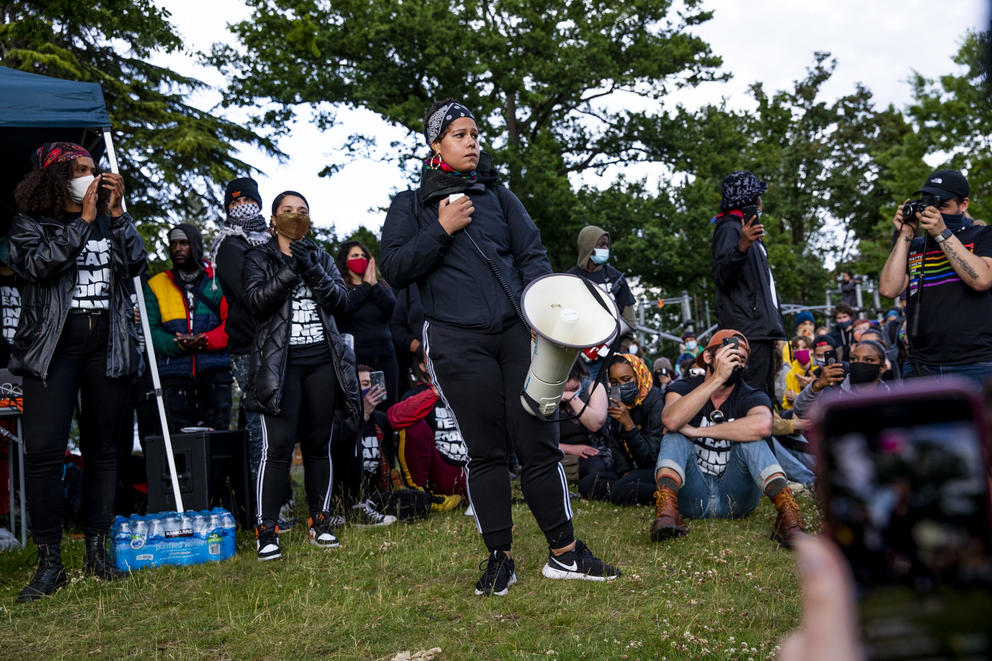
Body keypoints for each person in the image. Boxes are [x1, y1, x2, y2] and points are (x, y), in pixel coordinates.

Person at [381, 97, 619, 596]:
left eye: (474, 133)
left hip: (516, 333)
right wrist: (442, 229)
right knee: (485, 451)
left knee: (538, 440)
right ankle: (500, 557)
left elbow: (532, 255)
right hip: (454, 339)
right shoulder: (410, 205)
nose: (472, 142)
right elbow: (397, 268)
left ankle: (565, 553)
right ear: (435, 144)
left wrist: (540, 314)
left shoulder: (499, 196)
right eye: (460, 135)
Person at [9, 142, 146, 600]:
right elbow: (37, 266)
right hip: (52, 350)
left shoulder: (110, 219)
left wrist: (119, 213)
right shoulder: (30, 224)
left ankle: (97, 551)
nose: (92, 175)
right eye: (81, 169)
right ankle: (50, 563)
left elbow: (138, 264)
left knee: (104, 450)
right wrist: (84, 223)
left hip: (105, 346)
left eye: (94, 168)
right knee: (44, 452)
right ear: (56, 176)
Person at [242, 190, 361, 560]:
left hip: (321, 362)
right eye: (287, 211)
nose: (296, 216)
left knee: (318, 444)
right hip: (280, 366)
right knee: (276, 448)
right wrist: (292, 268)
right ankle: (266, 530)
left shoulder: (321, 256)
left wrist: (311, 266)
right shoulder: (257, 256)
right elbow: (257, 302)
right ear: (273, 219)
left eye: (303, 211)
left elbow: (342, 302)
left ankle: (320, 521)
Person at [650, 330, 804, 547]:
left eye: (741, 358)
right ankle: (666, 511)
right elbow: (671, 420)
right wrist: (717, 378)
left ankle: (788, 516)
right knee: (675, 435)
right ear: (708, 357)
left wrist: (698, 431)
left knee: (753, 438)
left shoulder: (751, 394)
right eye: (729, 354)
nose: (735, 361)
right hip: (693, 496)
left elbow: (763, 425)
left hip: (737, 497)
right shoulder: (684, 387)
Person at [878, 169, 992, 385]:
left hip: (976, 364)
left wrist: (942, 233)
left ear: (963, 204)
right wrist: (906, 234)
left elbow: (982, 279)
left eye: (943, 205)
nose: (935, 212)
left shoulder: (983, 235)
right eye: (929, 204)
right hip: (922, 365)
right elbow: (888, 290)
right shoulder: (917, 246)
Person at [144, 224, 232, 431]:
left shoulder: (218, 279)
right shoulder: (157, 284)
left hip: (215, 375)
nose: (177, 248)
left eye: (183, 243)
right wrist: (178, 344)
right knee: (181, 448)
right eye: (173, 244)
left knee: (218, 445)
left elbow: (231, 325)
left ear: (195, 245)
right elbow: (151, 330)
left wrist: (206, 340)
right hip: (174, 378)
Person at [710, 170, 787, 399]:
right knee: (753, 398)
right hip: (748, 330)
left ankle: (766, 433)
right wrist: (741, 247)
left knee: (765, 397)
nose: (760, 202)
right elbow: (722, 275)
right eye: (757, 196)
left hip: (761, 330)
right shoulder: (729, 228)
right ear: (749, 199)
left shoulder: (747, 230)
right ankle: (755, 435)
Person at [213, 177, 269, 486]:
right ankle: (260, 497)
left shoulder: (271, 239)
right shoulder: (229, 246)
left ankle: (278, 492)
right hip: (249, 344)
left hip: (277, 340)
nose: (241, 206)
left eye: (246, 200)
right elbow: (250, 294)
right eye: (233, 203)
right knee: (258, 423)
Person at [579, 354, 664, 506]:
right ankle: (629, 488)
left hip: (656, 469)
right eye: (614, 382)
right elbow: (615, 445)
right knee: (587, 483)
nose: (620, 386)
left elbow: (650, 457)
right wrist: (624, 471)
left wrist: (629, 425)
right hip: (632, 473)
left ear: (639, 376)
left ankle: (664, 494)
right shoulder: (617, 399)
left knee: (623, 486)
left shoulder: (655, 400)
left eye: (626, 380)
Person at [387, 354, 467, 508]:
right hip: (441, 472)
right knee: (413, 425)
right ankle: (421, 497)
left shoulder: (469, 387)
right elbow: (394, 417)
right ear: (423, 367)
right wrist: (436, 392)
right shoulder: (417, 393)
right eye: (434, 357)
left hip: (474, 469)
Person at [566, 225, 637, 379]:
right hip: (580, 356)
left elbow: (629, 318)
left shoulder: (615, 277)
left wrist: (621, 351)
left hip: (613, 353)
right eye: (600, 245)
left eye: (606, 244)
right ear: (588, 246)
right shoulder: (569, 279)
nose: (605, 248)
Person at [335, 240, 399, 406]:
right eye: (355, 255)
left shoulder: (381, 286)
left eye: (363, 255)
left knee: (389, 403)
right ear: (345, 261)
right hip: (357, 358)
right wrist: (365, 287)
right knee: (361, 405)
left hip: (385, 356)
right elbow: (343, 308)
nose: (360, 258)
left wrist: (374, 286)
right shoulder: (341, 288)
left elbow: (393, 310)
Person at [793, 341, 890, 419]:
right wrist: (816, 386)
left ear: (883, 367)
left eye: (868, 359)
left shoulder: (892, 398)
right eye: (854, 359)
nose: (859, 363)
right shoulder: (833, 396)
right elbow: (801, 411)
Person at [556, 361, 608, 484]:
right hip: (559, 451)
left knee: (595, 469)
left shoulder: (593, 387)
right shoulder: (547, 394)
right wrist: (573, 449)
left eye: (574, 389)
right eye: (563, 390)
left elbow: (595, 424)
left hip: (590, 452)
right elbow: (539, 438)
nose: (567, 393)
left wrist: (572, 399)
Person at [782, 335, 814, 411]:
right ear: (793, 352)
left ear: (811, 350)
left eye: (804, 347)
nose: (800, 350)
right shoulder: (790, 374)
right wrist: (789, 400)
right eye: (796, 348)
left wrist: (797, 397)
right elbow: (786, 403)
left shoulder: (819, 369)